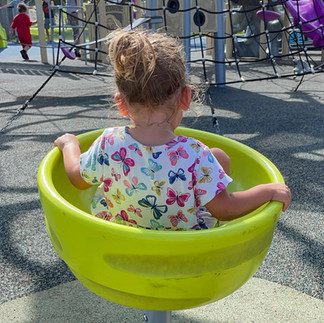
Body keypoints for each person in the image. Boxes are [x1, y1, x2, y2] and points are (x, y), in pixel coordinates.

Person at [54, 30, 291, 231]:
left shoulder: (108, 143)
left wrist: (69, 144)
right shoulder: (195, 153)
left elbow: (77, 177)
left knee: (215, 158)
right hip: (183, 243)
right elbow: (226, 209)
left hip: (124, 237)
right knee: (218, 157)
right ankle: (204, 192)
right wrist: (266, 191)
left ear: (121, 104)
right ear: (186, 97)